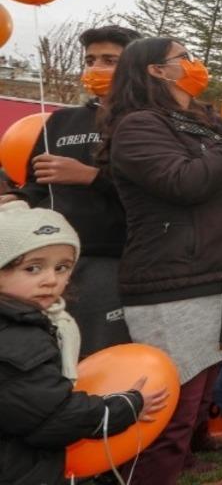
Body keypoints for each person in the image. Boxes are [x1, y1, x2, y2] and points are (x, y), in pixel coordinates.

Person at [100, 37, 222, 484]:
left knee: (193, 410)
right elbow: (184, 182)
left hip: (218, 278)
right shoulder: (137, 126)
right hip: (174, 288)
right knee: (169, 421)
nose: (196, 64)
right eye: (185, 57)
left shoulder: (200, 122)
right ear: (156, 70)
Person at [0, 201, 169, 485]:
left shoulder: (33, 322)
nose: (51, 279)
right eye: (32, 268)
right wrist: (127, 406)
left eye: (62, 267)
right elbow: (55, 417)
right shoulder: (15, 339)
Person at [1, 24, 140, 356]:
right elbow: (38, 185)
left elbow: (156, 191)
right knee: (39, 351)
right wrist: (17, 198)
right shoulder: (60, 121)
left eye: (109, 60)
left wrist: (92, 176)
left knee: (93, 354)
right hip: (48, 258)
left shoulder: (145, 122)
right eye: (90, 60)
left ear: (133, 67)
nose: (96, 68)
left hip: (111, 261)